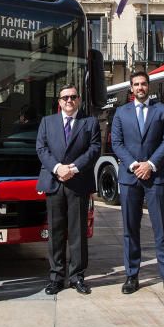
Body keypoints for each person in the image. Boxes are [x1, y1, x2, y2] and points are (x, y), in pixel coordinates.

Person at [110, 70, 164, 298]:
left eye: (143, 84)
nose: (140, 87)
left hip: (156, 177)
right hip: (130, 178)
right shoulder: (121, 113)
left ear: (148, 86)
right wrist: (134, 165)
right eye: (136, 84)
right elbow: (117, 143)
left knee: (162, 229)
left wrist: (150, 164)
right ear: (131, 88)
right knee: (130, 230)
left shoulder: (162, 111)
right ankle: (132, 275)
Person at [35, 84, 101, 295]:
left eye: (73, 97)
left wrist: (73, 168)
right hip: (54, 182)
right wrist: (57, 168)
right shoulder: (47, 122)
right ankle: (56, 277)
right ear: (59, 102)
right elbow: (41, 148)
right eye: (65, 98)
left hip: (78, 182)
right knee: (55, 232)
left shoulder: (89, 122)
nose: (69, 101)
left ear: (79, 100)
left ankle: (77, 277)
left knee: (78, 232)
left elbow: (95, 148)